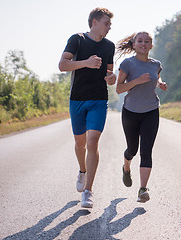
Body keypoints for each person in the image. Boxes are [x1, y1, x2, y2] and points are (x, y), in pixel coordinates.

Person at [58, 7, 116, 208]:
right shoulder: (77, 39)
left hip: (98, 100)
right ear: (94, 22)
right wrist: (86, 63)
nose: (109, 27)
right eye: (106, 23)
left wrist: (112, 78)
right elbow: (63, 65)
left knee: (93, 142)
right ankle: (82, 170)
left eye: (110, 24)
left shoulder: (109, 46)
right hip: (77, 99)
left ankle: (88, 191)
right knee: (80, 143)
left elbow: (110, 73)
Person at [115, 32, 168, 203]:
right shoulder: (127, 64)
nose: (143, 44)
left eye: (147, 42)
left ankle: (143, 189)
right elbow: (119, 89)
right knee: (132, 150)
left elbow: (156, 76)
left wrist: (160, 83)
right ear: (134, 44)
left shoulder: (156, 64)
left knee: (146, 150)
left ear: (151, 46)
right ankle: (126, 167)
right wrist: (136, 81)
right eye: (140, 41)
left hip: (151, 110)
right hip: (131, 111)